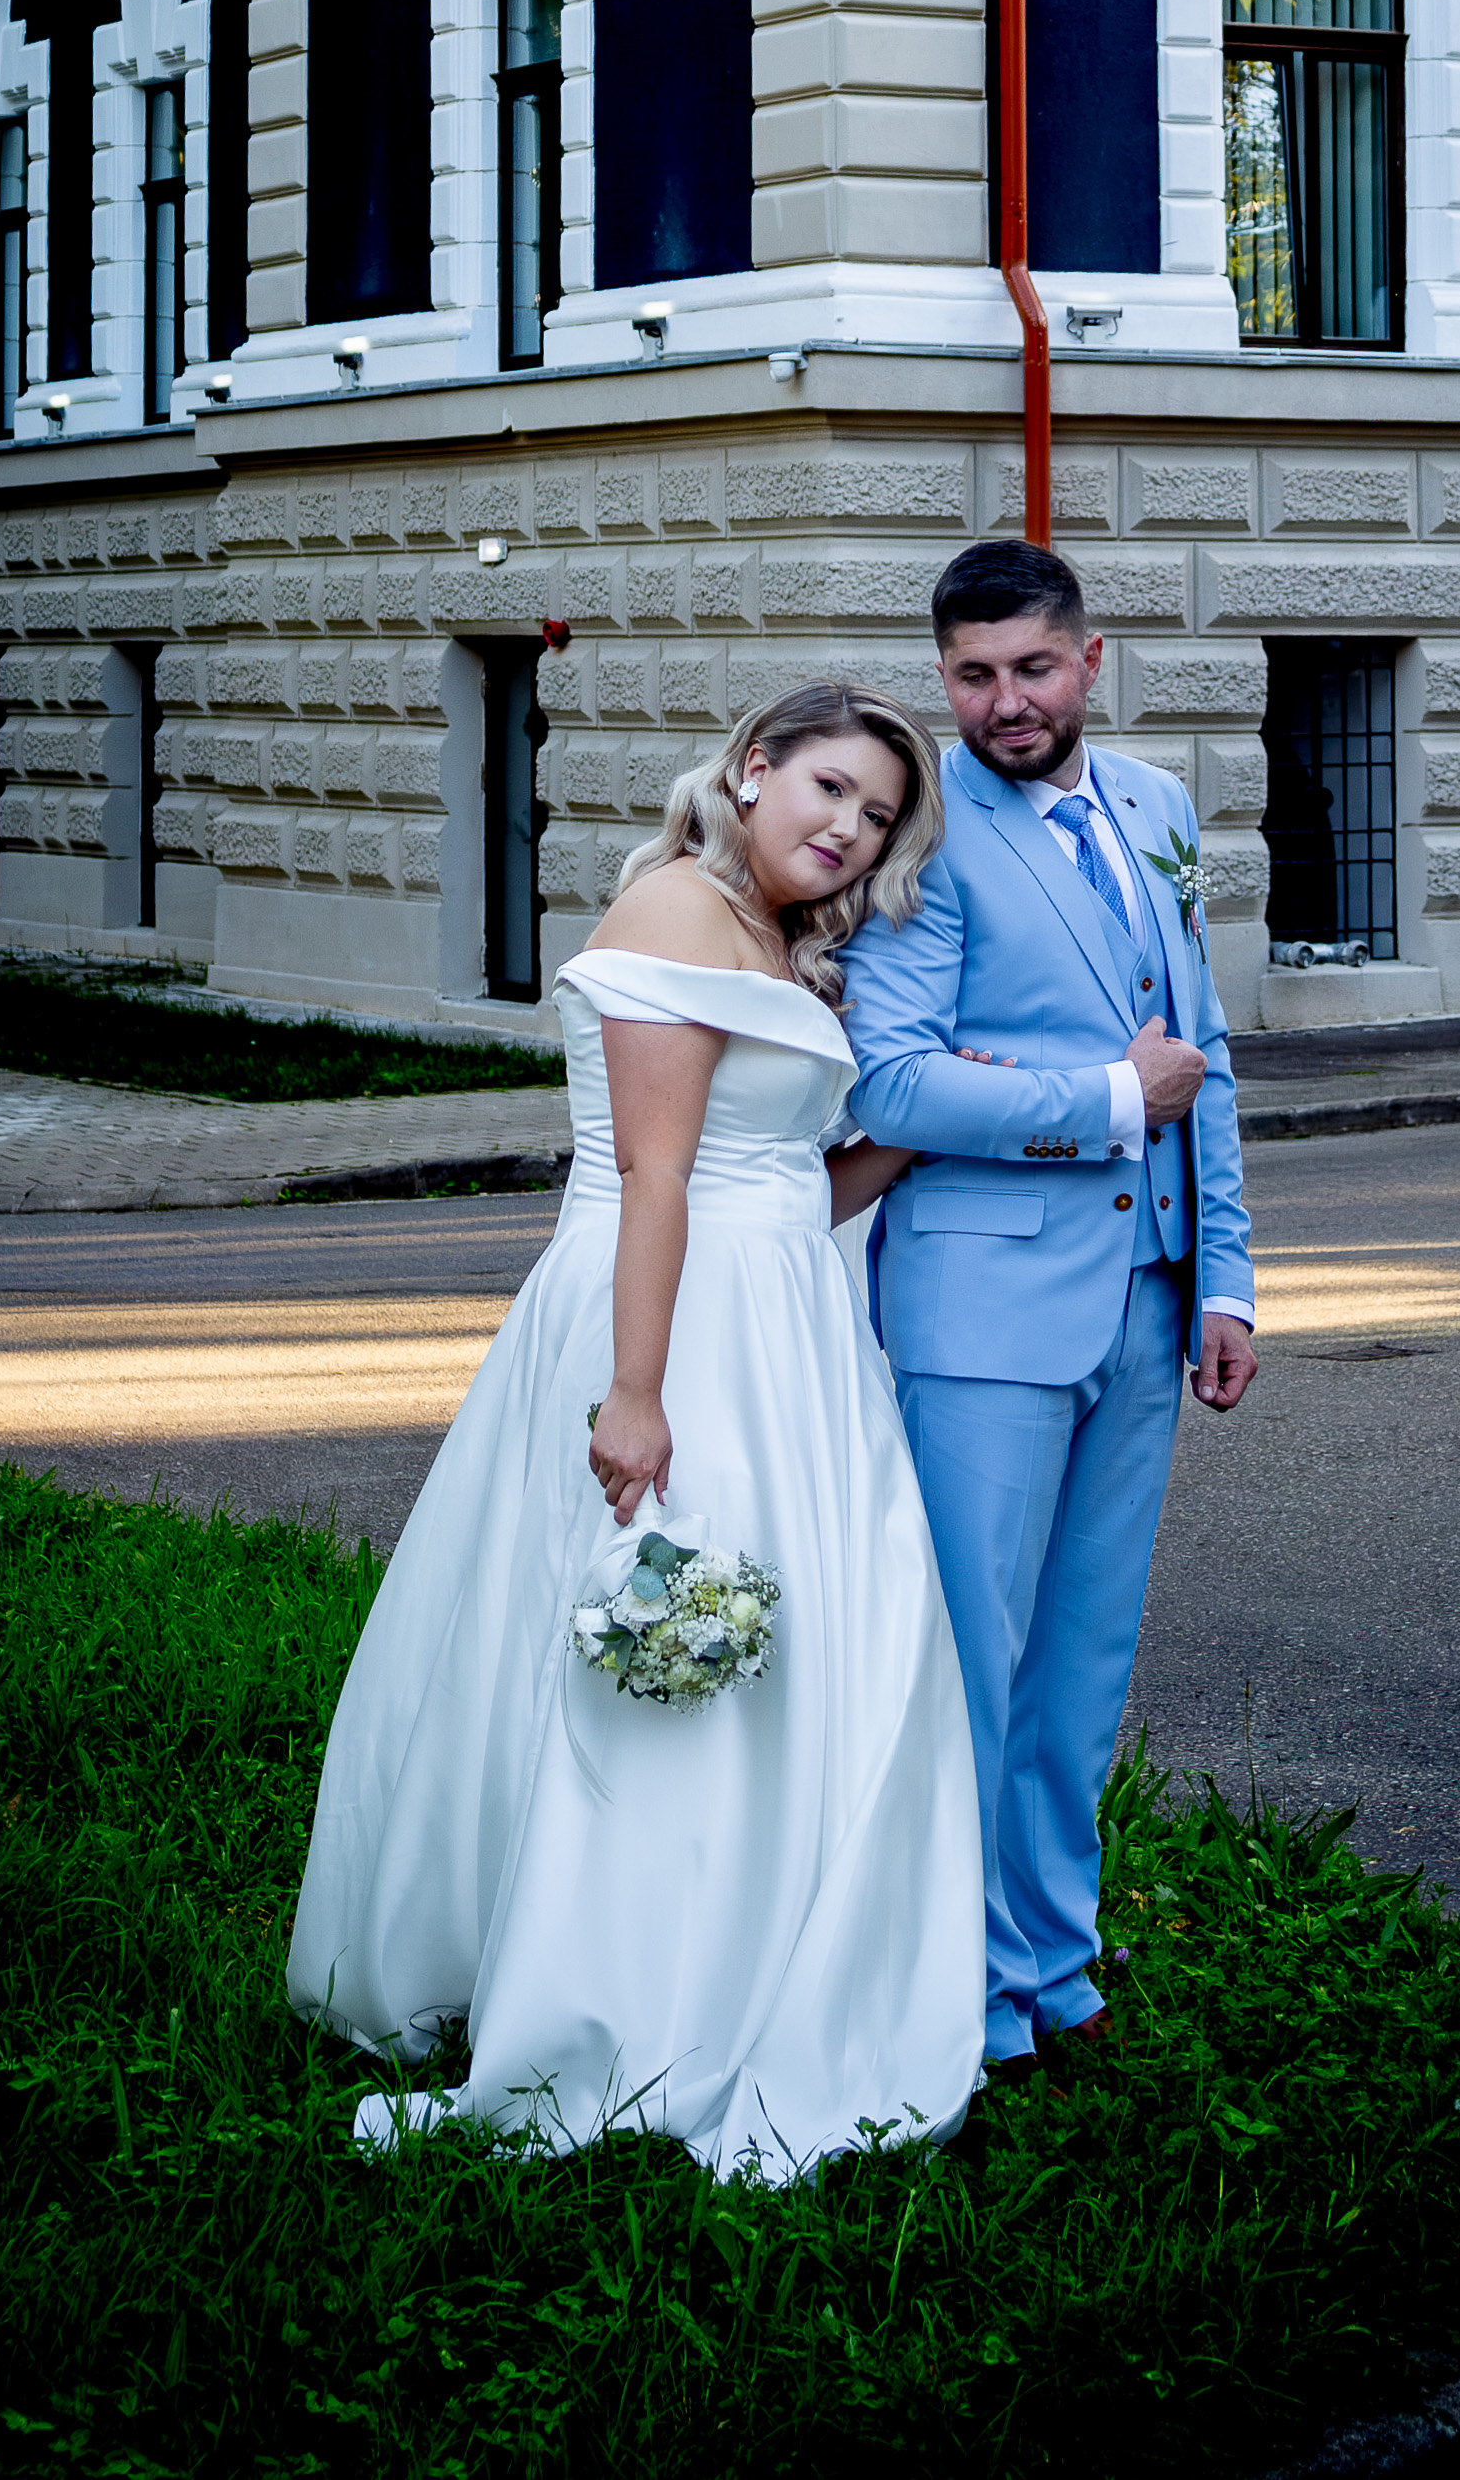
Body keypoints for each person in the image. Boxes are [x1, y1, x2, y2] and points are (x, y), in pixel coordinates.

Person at [286, 681, 986, 2178]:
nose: (850, 831)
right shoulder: (674, 907)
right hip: (672, 1323)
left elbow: (783, 1181)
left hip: (786, 1327)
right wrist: (639, 1389)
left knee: (800, 1646)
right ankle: (623, 1989)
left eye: (877, 818)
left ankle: (755, 1956)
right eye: (831, 790)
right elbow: (654, 1177)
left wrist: (914, 1131)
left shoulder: (781, 941)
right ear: (753, 768)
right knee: (664, 1638)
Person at [840, 539, 1259, 2082]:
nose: (1004, 701)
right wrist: (1102, 1099)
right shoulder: (925, 832)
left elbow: (1203, 1052)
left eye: (1030, 667)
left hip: (1148, 1296)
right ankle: (954, 1992)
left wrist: (1226, 1276)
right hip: (981, 1308)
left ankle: (1053, 1964)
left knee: (1083, 1659)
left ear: (1090, 660)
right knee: (974, 1660)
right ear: (943, 678)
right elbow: (893, 1082)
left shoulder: (1157, 807)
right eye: (972, 675)